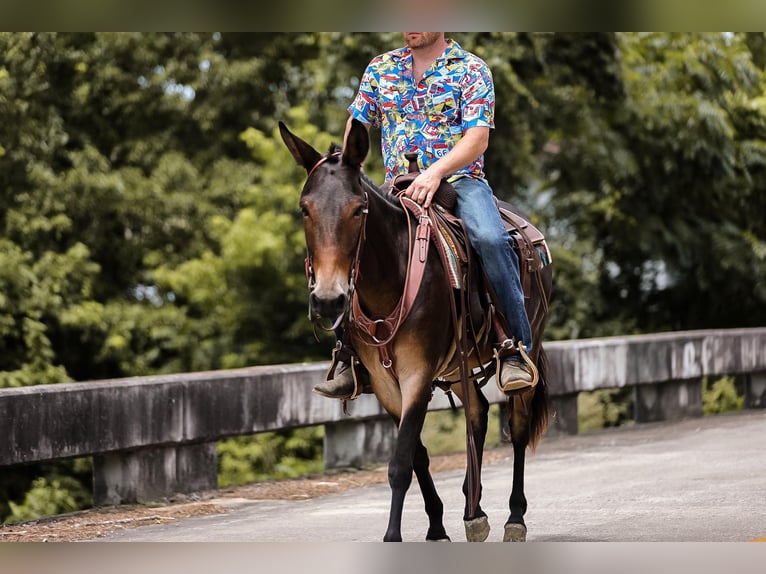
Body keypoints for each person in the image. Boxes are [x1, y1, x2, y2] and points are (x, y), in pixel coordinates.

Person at [313, 32, 534, 399]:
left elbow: (477, 139)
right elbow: (357, 124)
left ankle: (514, 348)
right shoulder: (380, 68)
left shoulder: (471, 69)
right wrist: (346, 170)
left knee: (491, 240)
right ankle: (349, 356)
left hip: (460, 182)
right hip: (395, 188)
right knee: (339, 236)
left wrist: (435, 173)